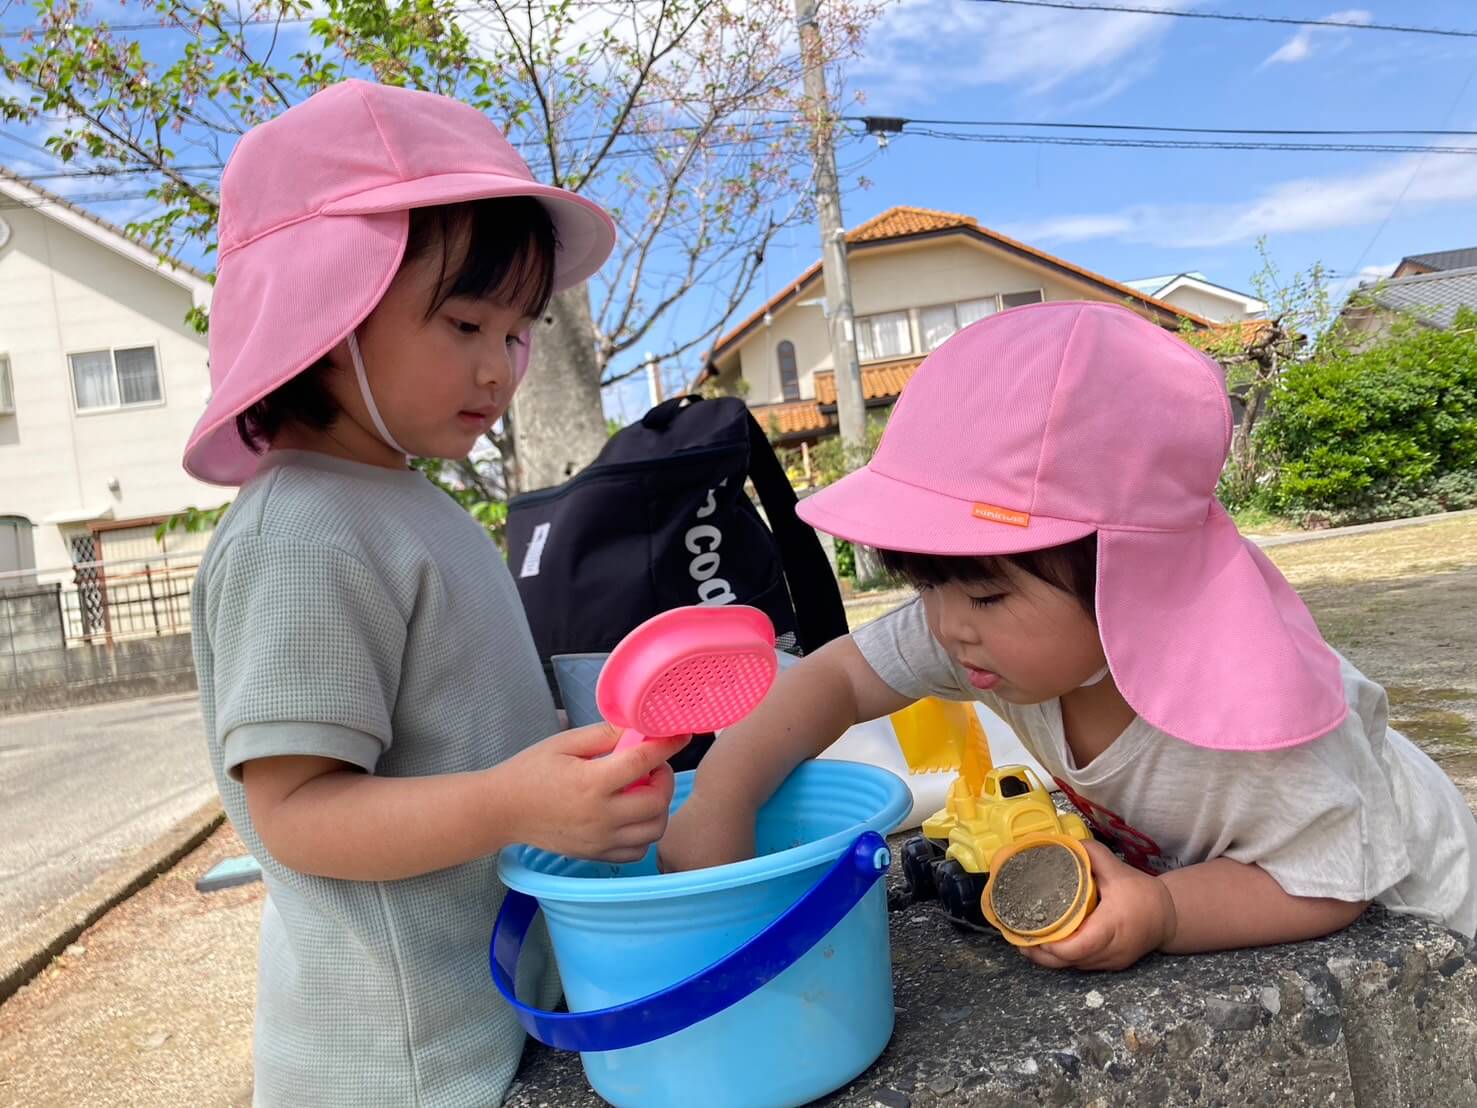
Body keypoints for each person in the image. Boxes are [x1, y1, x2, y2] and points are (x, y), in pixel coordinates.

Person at [659, 300, 1477, 971]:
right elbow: (833, 680)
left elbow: (1330, 885)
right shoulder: (983, 636)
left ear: (1136, 584)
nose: (945, 627)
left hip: (1423, 915)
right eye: (925, 586)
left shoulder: (1259, 723)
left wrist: (1160, 910)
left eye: (981, 593)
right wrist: (722, 793)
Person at [184, 80, 687, 1105]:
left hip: (484, 1012)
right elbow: (296, 811)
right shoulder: (304, 529)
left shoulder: (405, 499)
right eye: (464, 321)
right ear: (326, 312)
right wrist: (514, 798)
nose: (499, 368)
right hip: (401, 1065)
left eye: (514, 331)